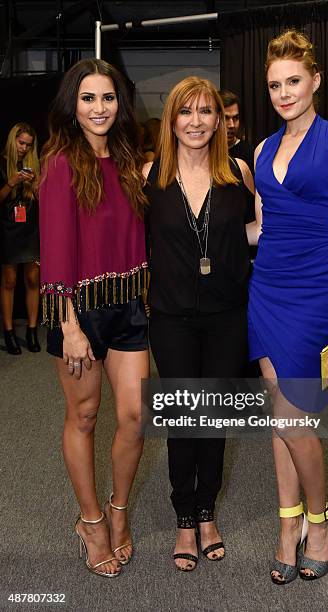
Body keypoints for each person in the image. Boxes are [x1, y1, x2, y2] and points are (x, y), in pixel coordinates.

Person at [247, 30, 328, 583]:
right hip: (266, 291)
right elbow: (261, 228)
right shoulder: (262, 150)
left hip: (318, 289)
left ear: (315, 80)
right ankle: (286, 524)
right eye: (275, 85)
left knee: (293, 419)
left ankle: (319, 521)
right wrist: (196, 229)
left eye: (293, 81)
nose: (284, 92)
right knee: (279, 415)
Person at [39, 58, 149, 578]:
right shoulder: (60, 162)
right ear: (73, 105)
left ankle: (119, 508)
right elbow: (56, 248)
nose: (99, 108)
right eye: (88, 98)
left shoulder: (129, 160)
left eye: (107, 98)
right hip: (77, 313)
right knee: (83, 417)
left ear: (119, 103)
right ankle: (91, 521)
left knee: (134, 416)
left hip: (130, 304)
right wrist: (69, 326)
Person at [144, 76, 254, 571]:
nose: (196, 121)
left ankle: (207, 511)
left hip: (229, 315)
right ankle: (183, 518)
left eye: (206, 112)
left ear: (219, 120)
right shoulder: (149, 176)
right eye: (185, 112)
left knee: (215, 420)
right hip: (171, 319)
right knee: (182, 420)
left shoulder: (238, 171)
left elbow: (252, 231)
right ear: (172, 120)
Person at [0, 123, 40, 354]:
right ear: (13, 140)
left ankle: (32, 331)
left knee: (34, 280)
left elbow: (45, 200)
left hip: (31, 228)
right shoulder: (1, 162)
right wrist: (11, 182)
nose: (24, 148)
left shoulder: (34, 164)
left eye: (29, 145)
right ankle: (9, 332)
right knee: (9, 281)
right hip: (8, 228)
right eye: (21, 142)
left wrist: (34, 186)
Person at [219, 89, 254, 171]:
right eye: (225, 118)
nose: (231, 125)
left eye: (235, 118)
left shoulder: (248, 153)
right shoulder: (204, 151)